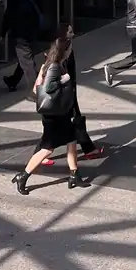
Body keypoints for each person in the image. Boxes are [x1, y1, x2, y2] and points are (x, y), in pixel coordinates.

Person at [12, 36, 90, 194]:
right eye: (69, 49)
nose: (70, 52)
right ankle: (24, 175)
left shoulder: (50, 63)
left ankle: (75, 175)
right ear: (64, 50)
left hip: (58, 113)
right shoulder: (55, 66)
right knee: (47, 149)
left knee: (72, 141)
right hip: (55, 116)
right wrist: (64, 79)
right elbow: (48, 87)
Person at [38, 24, 103, 165]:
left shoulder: (68, 47)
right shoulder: (60, 51)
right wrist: (65, 81)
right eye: (70, 31)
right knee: (72, 121)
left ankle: (86, 150)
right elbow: (53, 78)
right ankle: (87, 150)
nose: (73, 33)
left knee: (68, 123)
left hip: (67, 91)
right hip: (63, 93)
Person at [1, 0, 42, 93]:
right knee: (25, 58)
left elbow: (8, 16)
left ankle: (36, 91)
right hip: (34, 31)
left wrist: (2, 33)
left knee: (27, 63)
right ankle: (13, 80)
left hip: (21, 34)